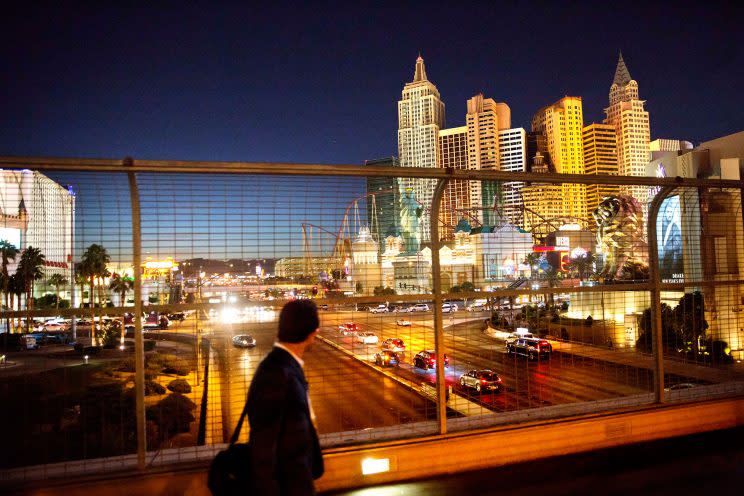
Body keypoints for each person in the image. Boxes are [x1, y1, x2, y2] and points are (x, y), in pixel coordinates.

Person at [246, 299, 324, 495]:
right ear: (311, 333)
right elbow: (264, 446)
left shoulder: (284, 366)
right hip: (288, 486)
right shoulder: (277, 373)